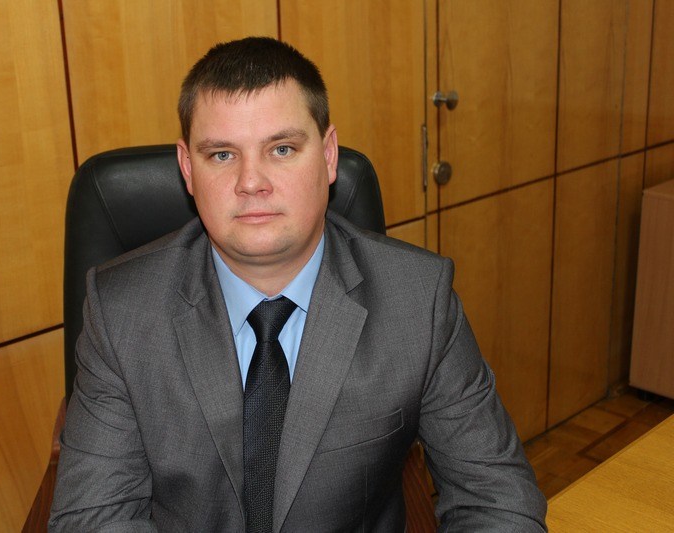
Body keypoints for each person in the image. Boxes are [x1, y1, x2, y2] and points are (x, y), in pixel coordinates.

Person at [49, 36, 547, 532]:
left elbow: (498, 502)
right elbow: (93, 518)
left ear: (328, 156)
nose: (251, 182)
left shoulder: (418, 300)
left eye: (282, 149)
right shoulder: (121, 311)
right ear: (187, 169)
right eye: (221, 155)